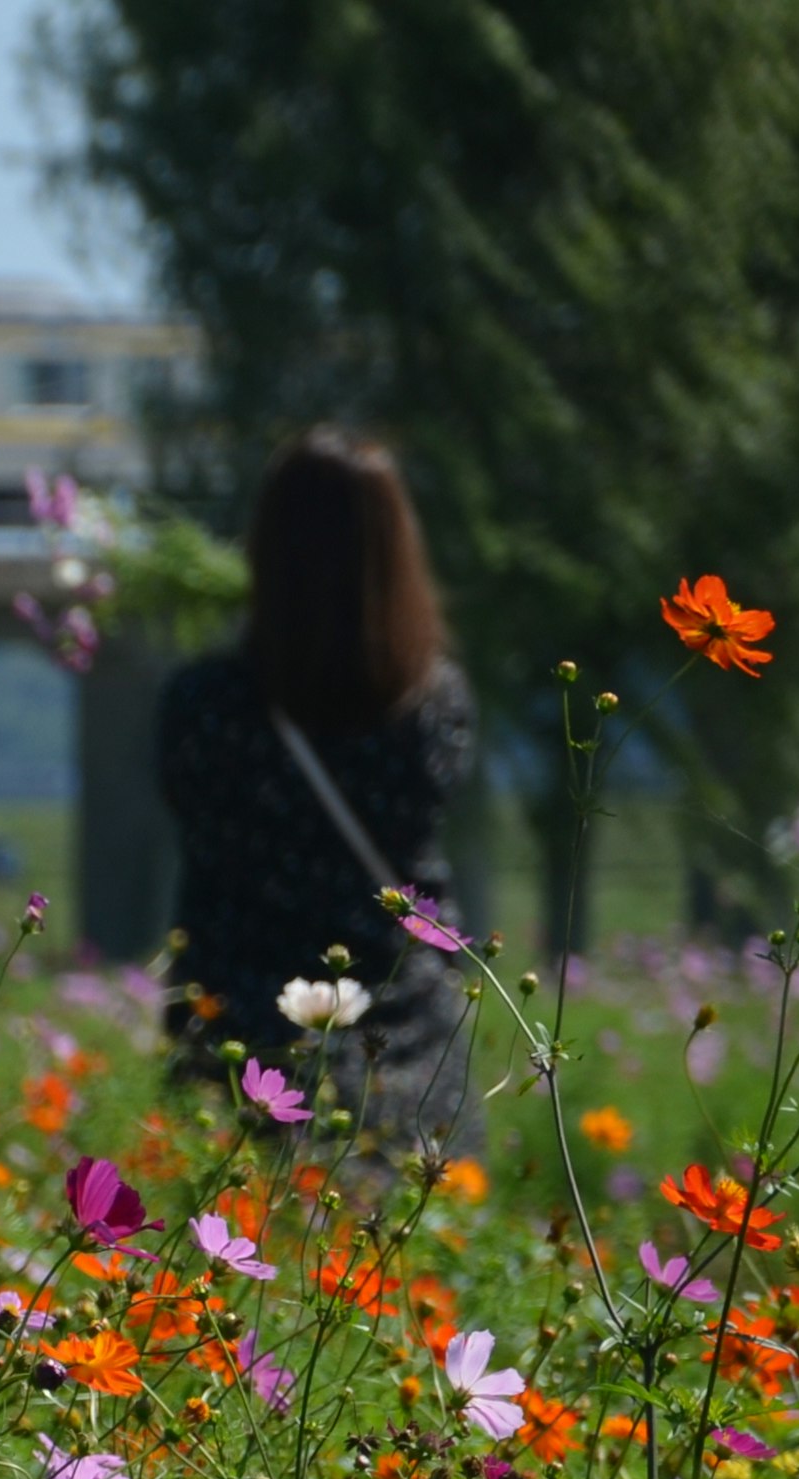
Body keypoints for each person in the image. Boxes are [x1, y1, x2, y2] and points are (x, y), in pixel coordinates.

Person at [159, 428, 479, 1161]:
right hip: (406, 1042)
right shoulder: (434, 705)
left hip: (238, 1034)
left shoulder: (204, 705)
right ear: (398, 554)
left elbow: (198, 843)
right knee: (410, 1264)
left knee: (228, 1259)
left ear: (266, 551)